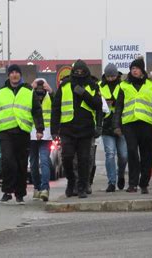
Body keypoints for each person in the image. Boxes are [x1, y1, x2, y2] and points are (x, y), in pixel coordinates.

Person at [0, 64, 44, 204]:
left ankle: (20, 194)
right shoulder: (1, 92)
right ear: (8, 75)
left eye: (16, 72)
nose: (14, 75)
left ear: (20, 75)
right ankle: (7, 191)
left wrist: (39, 129)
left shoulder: (28, 91)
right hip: (5, 132)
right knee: (8, 161)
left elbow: (37, 111)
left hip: (22, 131)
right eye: (12, 72)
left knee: (21, 164)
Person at [51, 59, 103, 199]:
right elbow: (56, 108)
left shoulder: (93, 86)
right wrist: (54, 130)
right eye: (77, 72)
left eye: (82, 72)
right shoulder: (65, 85)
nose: (79, 74)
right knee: (67, 158)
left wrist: (84, 94)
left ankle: (81, 187)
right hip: (67, 129)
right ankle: (71, 182)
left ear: (86, 72)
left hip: (86, 130)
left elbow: (98, 106)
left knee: (84, 160)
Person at [112, 57, 152, 194]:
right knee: (132, 153)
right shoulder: (124, 85)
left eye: (136, 68)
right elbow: (118, 107)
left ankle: (144, 183)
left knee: (147, 155)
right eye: (132, 69)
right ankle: (132, 184)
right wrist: (116, 125)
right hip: (129, 124)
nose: (134, 71)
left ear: (142, 70)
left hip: (146, 124)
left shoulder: (151, 85)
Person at [99, 63, 128, 192]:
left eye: (113, 76)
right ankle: (111, 182)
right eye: (108, 76)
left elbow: (128, 101)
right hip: (106, 125)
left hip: (121, 124)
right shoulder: (99, 86)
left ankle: (120, 174)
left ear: (117, 75)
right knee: (110, 154)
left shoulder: (123, 85)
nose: (110, 78)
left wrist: (116, 102)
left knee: (123, 155)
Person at [29, 78, 54, 202]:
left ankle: (45, 189)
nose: (39, 90)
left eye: (41, 87)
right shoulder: (29, 95)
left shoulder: (50, 97)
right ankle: (37, 188)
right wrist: (30, 89)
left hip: (46, 134)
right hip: (32, 134)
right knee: (33, 163)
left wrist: (51, 90)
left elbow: (57, 104)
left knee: (44, 161)